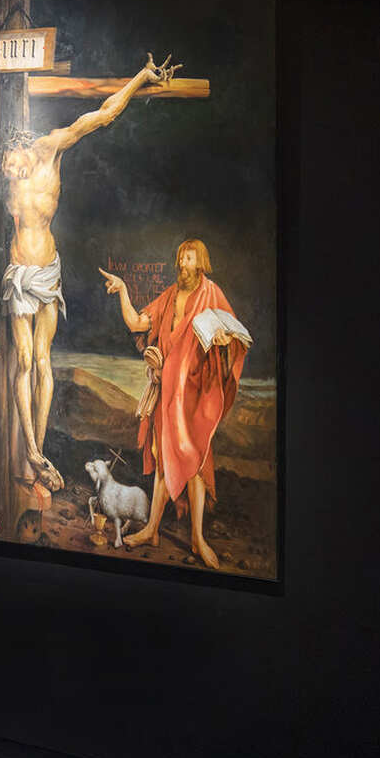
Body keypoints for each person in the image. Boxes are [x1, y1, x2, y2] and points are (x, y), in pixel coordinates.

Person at [0, 53, 177, 490]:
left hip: (48, 272)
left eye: (12, 167)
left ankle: (39, 449)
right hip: (18, 275)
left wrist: (143, 75)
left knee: (45, 362)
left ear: (25, 151)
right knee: (25, 360)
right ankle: (31, 449)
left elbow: (103, 114)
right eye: (5, 170)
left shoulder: (51, 148)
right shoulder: (1, 152)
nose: (8, 174)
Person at [104, 239, 248, 570]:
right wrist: (124, 290)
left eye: (190, 259)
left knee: (195, 461)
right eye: (181, 258)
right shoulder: (169, 295)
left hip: (196, 394)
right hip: (168, 391)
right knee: (162, 456)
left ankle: (197, 538)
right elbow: (137, 324)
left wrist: (224, 341)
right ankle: (152, 529)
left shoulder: (212, 294)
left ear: (201, 263)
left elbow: (235, 337)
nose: (183, 265)